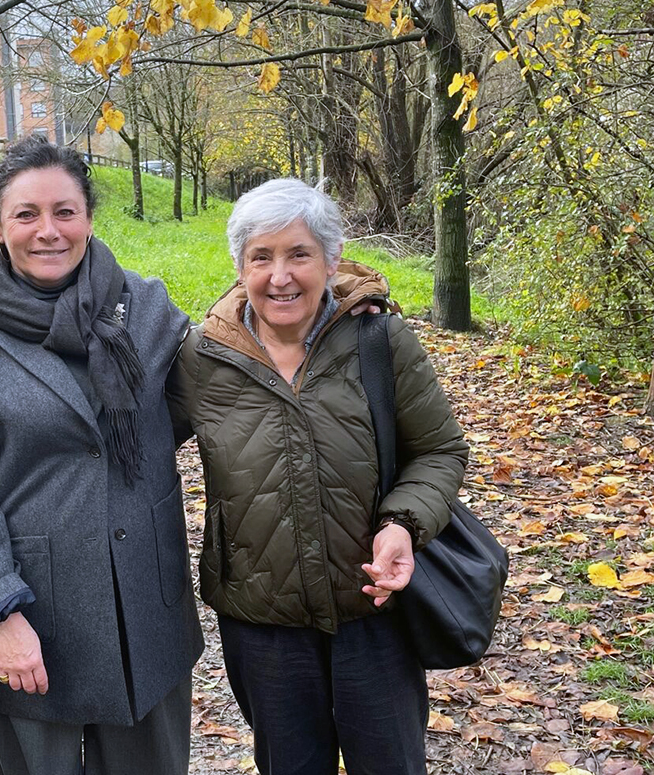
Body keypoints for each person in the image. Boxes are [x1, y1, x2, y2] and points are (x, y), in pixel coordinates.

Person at [168, 178, 469, 775]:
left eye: (299, 254)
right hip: (262, 624)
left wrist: (403, 524)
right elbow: (131, 447)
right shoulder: (201, 359)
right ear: (240, 266)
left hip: (374, 613)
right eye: (261, 256)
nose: (280, 276)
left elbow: (439, 450)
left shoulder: (379, 341)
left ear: (331, 260)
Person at [0, 136, 204, 775]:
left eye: (65, 211)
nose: (48, 231)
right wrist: (0, 610)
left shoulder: (148, 310)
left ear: (89, 218)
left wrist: (334, 303)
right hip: (35, 615)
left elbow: (217, 381)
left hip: (145, 603)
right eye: (26, 214)